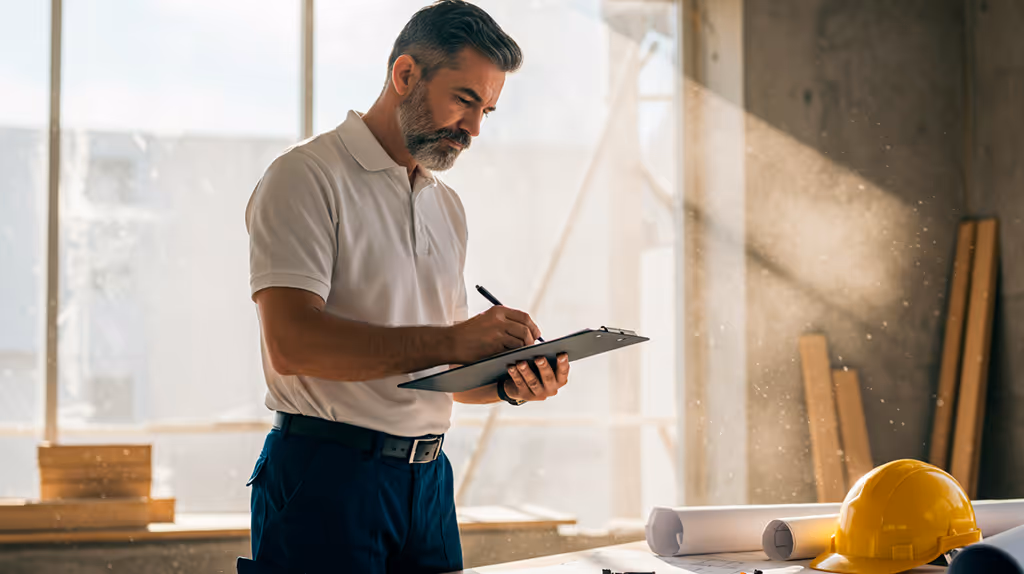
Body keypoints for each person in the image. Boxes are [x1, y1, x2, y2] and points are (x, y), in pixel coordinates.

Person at [243, 1, 571, 572]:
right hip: (325, 477)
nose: (472, 129)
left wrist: (510, 384)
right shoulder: (305, 177)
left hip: (429, 483)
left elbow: (434, 381)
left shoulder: (448, 207)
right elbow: (291, 346)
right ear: (405, 75)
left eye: (487, 110)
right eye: (464, 100)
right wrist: (453, 341)